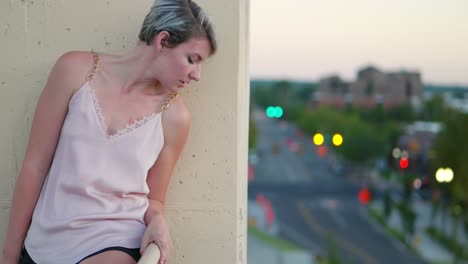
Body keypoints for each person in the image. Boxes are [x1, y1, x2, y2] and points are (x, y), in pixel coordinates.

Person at [1, 0, 216, 263]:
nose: (197, 75)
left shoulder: (175, 117)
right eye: (192, 59)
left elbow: (155, 198)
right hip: (44, 242)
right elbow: (35, 166)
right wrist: (10, 255)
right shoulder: (74, 71)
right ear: (163, 41)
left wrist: (159, 220)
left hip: (114, 242)